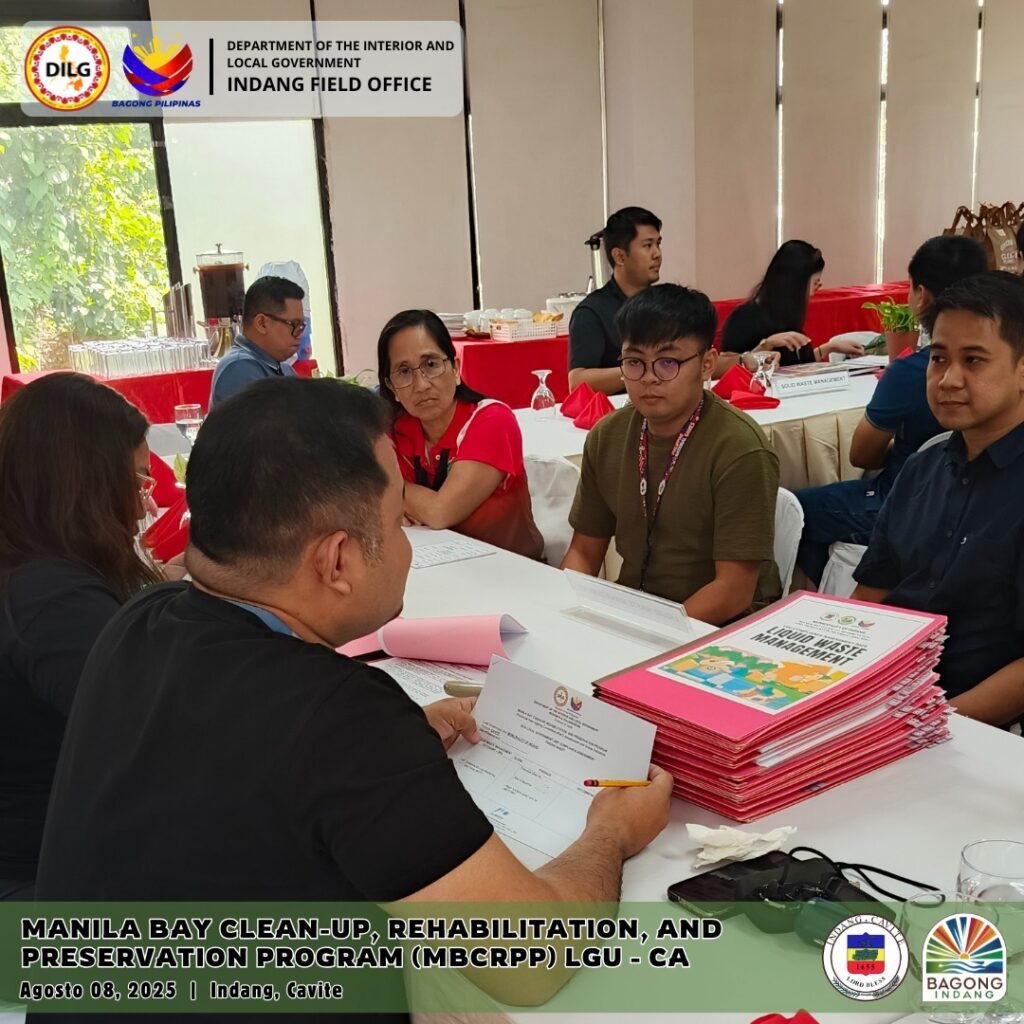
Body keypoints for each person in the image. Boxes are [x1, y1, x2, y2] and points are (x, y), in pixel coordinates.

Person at [33, 378, 673, 1023]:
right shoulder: (340, 717)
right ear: (336, 560)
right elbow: (529, 962)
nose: (406, 546)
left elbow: (226, 759)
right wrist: (612, 832)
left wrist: (392, 751)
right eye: (398, 522)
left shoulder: (141, 618)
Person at [0, 374, 162, 901]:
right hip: (41, 891)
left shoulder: (29, 570)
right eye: (136, 483)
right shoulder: (52, 601)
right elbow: (161, 746)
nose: (141, 508)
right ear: (85, 482)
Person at [853, 271, 1024, 726]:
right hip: (885, 699)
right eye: (939, 358)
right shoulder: (921, 469)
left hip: (971, 723)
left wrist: (924, 725)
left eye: (974, 361)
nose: (948, 379)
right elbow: (871, 595)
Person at [561, 284, 782, 627]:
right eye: (634, 362)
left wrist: (653, 633)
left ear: (707, 364)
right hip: (636, 611)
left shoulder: (739, 447)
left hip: (724, 625)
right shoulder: (608, 436)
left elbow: (733, 590)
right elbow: (583, 552)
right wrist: (564, 612)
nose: (649, 378)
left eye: (668, 363)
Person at [794, 235, 988, 584]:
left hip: (901, 502)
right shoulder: (997, 371)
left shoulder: (914, 372)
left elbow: (861, 454)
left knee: (790, 510)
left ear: (922, 295)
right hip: (973, 508)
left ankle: (825, 593)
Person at [378, 309, 545, 560]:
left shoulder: (492, 420)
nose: (421, 385)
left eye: (431, 365)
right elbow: (361, 495)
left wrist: (393, 494)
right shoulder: (394, 428)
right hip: (433, 566)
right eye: (404, 371)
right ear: (391, 387)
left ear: (456, 369)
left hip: (511, 570)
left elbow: (439, 512)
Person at [717, 240, 865, 374]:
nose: (816, 289)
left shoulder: (786, 317)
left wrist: (830, 347)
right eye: (815, 283)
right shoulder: (742, 320)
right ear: (796, 284)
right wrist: (767, 345)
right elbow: (729, 371)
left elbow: (795, 367)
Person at [568, 206, 662, 395]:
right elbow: (577, 382)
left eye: (658, 244)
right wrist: (638, 370)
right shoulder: (592, 312)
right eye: (647, 246)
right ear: (619, 256)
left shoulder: (667, 304)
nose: (657, 254)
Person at [209, 276, 304, 407]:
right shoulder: (239, 369)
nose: (299, 334)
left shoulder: (284, 368)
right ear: (261, 323)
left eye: (302, 326)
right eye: (294, 324)